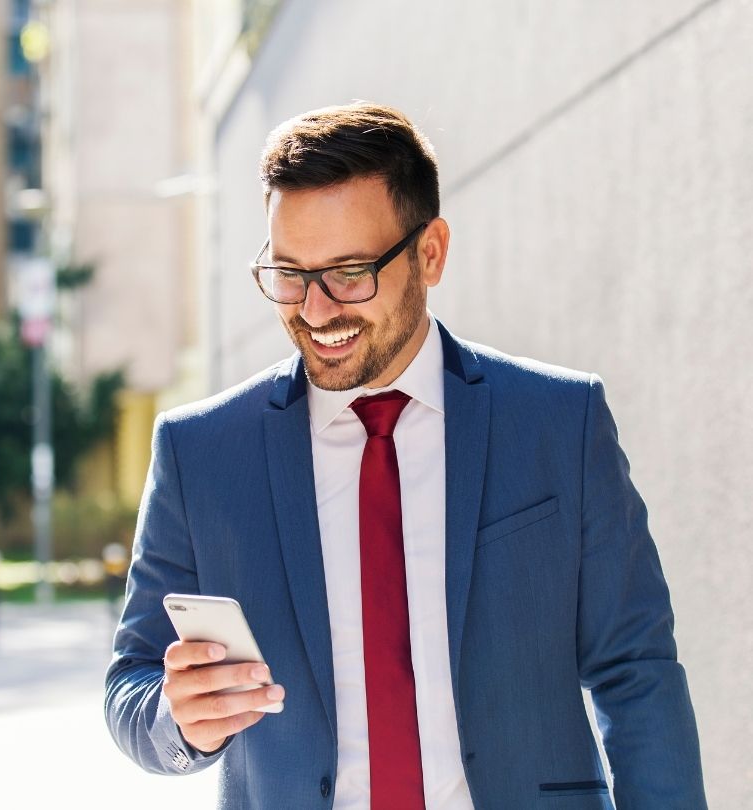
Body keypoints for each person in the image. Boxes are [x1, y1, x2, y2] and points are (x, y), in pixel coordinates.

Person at [105, 103, 706, 809]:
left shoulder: (557, 423)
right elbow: (131, 690)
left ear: (431, 252)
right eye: (290, 274)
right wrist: (179, 719)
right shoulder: (201, 453)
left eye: (350, 273)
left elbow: (636, 671)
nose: (316, 310)